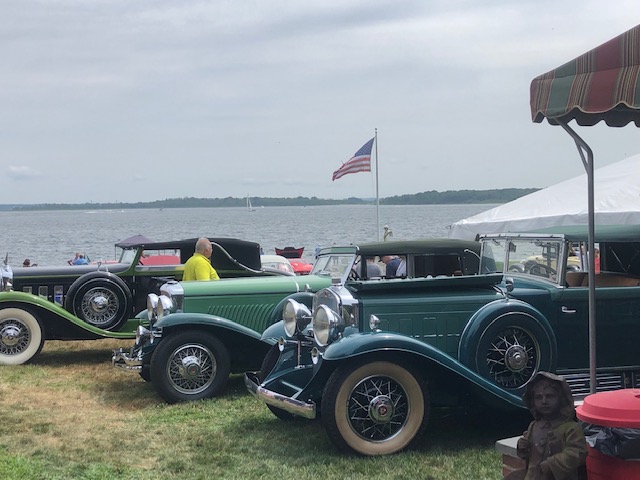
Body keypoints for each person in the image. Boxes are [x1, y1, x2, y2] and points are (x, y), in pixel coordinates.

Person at [511, 372, 587, 480]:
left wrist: (553, 463)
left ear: (561, 399)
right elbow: (529, 455)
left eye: (550, 396)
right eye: (538, 397)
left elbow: (578, 453)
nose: (544, 401)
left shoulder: (571, 428)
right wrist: (523, 447)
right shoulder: (534, 426)